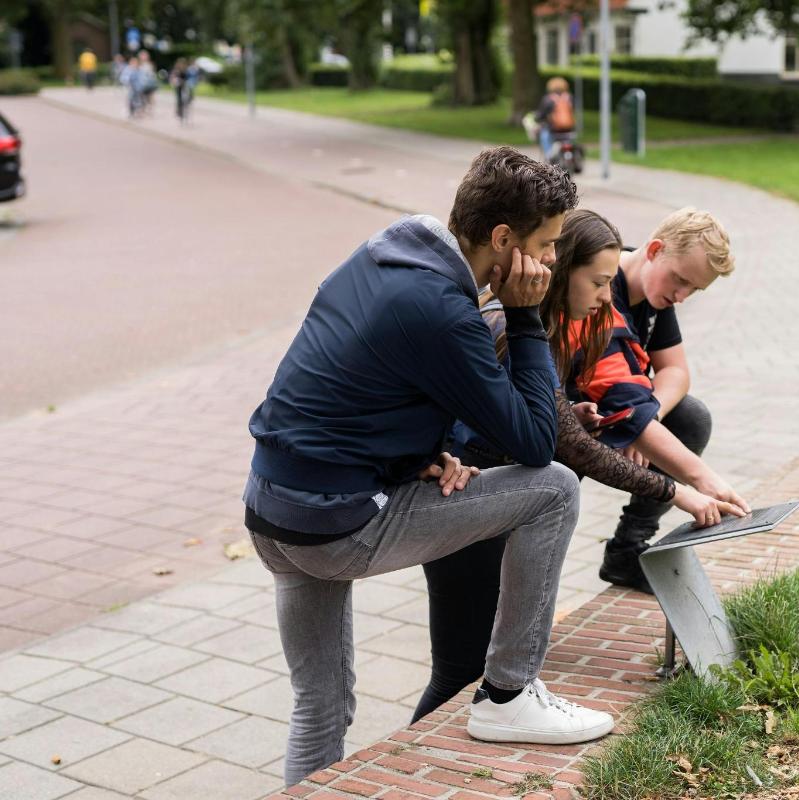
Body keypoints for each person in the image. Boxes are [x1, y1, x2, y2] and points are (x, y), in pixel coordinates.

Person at [243, 147, 613, 786]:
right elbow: (533, 443)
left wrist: (414, 455)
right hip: (338, 528)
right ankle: (508, 696)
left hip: (271, 511)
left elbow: (356, 384)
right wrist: (526, 317)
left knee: (322, 702)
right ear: (503, 240)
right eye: (548, 245)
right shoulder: (444, 309)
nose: (553, 261)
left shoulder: (390, 249)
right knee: (552, 489)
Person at [412, 209, 746, 721]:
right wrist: (679, 489)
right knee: (459, 670)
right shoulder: (511, 327)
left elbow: (557, 428)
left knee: (478, 663)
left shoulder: (552, 326)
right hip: (469, 497)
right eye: (599, 282)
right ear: (561, 268)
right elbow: (569, 446)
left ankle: (500, 708)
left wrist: (580, 416)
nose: (610, 299)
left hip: (505, 494)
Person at [578, 207, 741, 593]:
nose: (682, 296)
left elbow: (677, 373)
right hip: (570, 416)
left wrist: (648, 418)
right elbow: (618, 397)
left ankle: (627, 549)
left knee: (690, 418)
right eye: (680, 280)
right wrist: (701, 481)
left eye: (694, 290)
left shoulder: (655, 293)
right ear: (654, 250)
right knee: (559, 478)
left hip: (615, 406)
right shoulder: (601, 288)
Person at [534, 76, 575, 161]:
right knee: (569, 140)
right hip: (569, 128)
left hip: (554, 129)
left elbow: (541, 115)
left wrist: (537, 118)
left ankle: (549, 155)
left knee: (544, 135)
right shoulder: (569, 97)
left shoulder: (548, 99)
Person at [169, 58, 197, 123]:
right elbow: (173, 77)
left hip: (184, 85)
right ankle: (179, 111)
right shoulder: (176, 70)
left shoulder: (186, 70)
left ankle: (189, 100)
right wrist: (176, 81)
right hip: (178, 86)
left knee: (187, 95)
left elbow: (189, 77)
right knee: (179, 99)